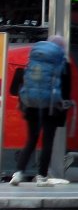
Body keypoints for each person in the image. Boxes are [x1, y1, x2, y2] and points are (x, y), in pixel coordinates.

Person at [9, 35, 72, 187]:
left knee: (31, 139)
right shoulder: (63, 62)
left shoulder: (35, 58)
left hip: (31, 105)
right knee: (47, 141)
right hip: (51, 107)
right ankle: (42, 176)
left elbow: (23, 81)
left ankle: (18, 173)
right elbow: (66, 90)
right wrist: (63, 109)